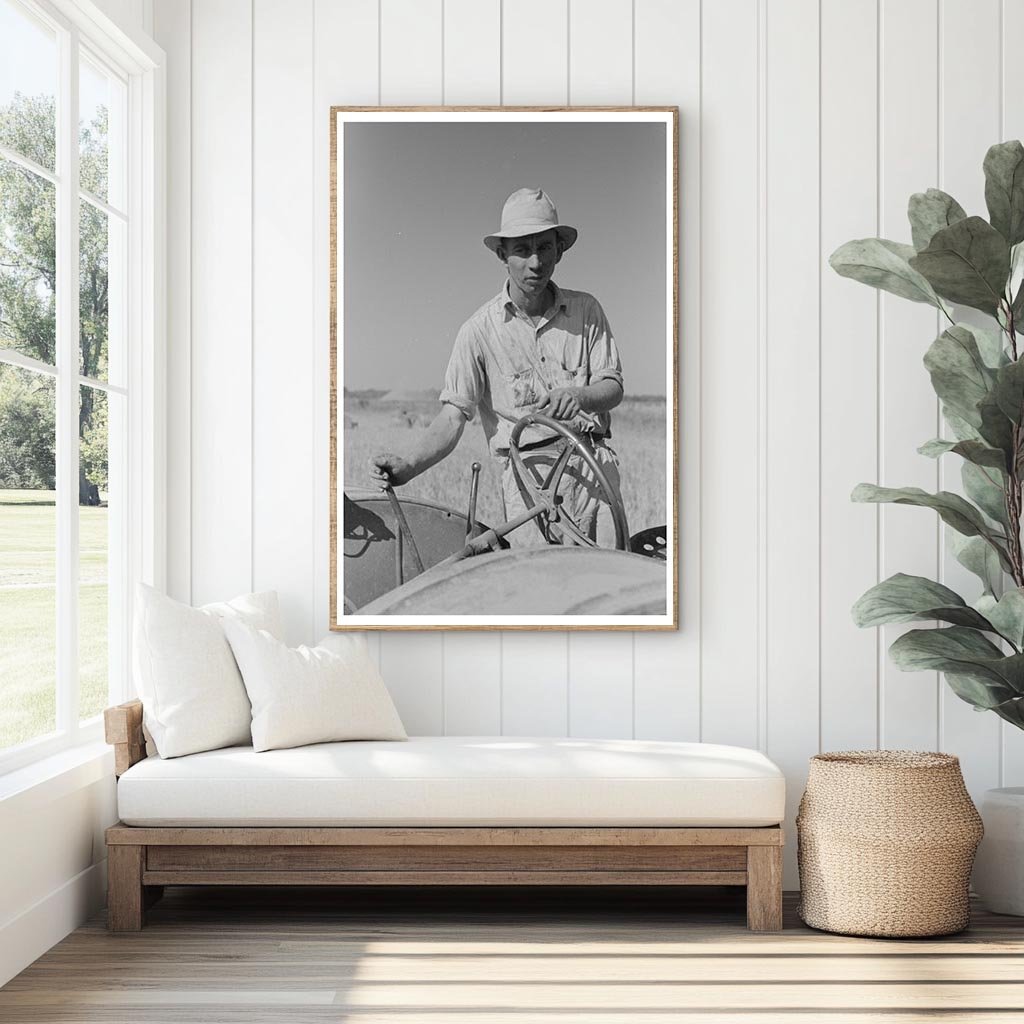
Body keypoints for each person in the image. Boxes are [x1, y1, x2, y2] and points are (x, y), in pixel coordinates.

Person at [369, 187, 625, 548]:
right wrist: (407, 467)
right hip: (528, 489)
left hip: (594, 477)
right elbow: (452, 417)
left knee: (613, 591)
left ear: (560, 250)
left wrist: (580, 396)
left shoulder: (587, 311)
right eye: (522, 250)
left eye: (545, 247)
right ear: (502, 254)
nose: (535, 262)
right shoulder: (478, 332)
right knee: (537, 595)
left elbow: (612, 385)